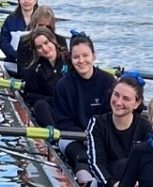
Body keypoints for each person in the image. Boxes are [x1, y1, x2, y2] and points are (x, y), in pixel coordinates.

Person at [49, 34, 115, 175]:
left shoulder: (108, 81)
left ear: (94, 55)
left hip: (102, 136)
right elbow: (62, 122)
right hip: (73, 137)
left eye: (85, 55)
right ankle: (86, 183)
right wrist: (84, 136)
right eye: (76, 57)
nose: (81, 61)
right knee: (83, 157)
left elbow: (113, 115)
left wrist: (96, 136)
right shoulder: (63, 85)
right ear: (71, 60)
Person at [86, 76, 152, 187]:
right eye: (116, 95)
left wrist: (138, 185)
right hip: (106, 185)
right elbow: (96, 163)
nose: (118, 102)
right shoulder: (97, 123)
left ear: (137, 103)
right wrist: (115, 185)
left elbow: (150, 164)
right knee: (123, 165)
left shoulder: (145, 127)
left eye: (126, 99)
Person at [21, 27, 68, 112]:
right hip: (52, 108)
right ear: (36, 51)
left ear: (53, 40)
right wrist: (54, 101)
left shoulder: (70, 60)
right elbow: (30, 96)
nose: (45, 48)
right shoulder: (35, 69)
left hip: (73, 106)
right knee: (40, 105)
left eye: (46, 43)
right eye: (39, 47)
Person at [15, 5, 65, 80]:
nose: (44, 30)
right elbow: (22, 71)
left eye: (48, 27)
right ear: (34, 25)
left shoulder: (60, 40)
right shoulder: (24, 42)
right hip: (35, 81)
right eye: (41, 26)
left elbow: (65, 67)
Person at [0, 0, 38, 64]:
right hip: (13, 60)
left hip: (35, 61)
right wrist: (15, 55)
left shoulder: (41, 20)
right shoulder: (10, 20)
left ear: (35, 1)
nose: (26, 1)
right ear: (19, 0)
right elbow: (3, 42)